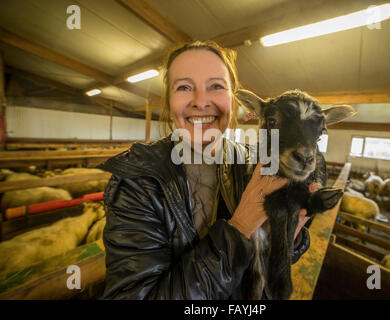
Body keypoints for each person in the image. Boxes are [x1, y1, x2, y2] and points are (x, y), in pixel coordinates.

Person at [98, 40, 313, 300]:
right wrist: (241, 227)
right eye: (184, 87)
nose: (201, 102)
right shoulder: (139, 180)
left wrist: (287, 240)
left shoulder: (252, 164)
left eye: (216, 86)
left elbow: (265, 269)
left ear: (234, 102)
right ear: (168, 102)